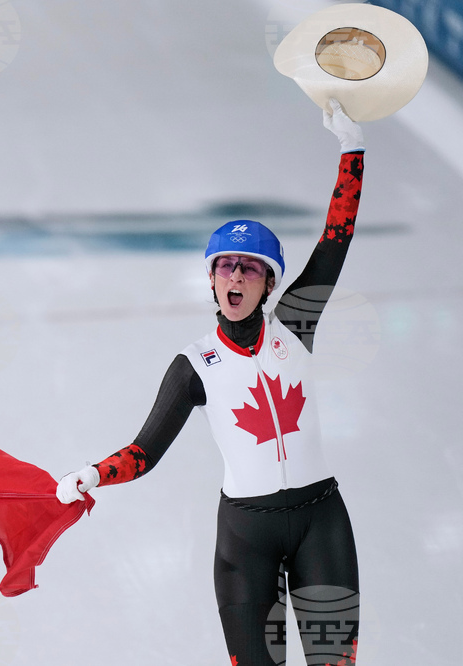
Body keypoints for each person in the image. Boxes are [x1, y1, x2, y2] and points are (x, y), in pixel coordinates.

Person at [57, 99, 365, 666]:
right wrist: (93, 474)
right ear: (211, 278)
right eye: (226, 265)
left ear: (270, 282)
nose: (237, 275)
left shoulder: (295, 324)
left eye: (250, 267)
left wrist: (352, 150)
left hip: (321, 523)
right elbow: (145, 452)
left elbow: (335, 239)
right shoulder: (194, 364)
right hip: (246, 538)